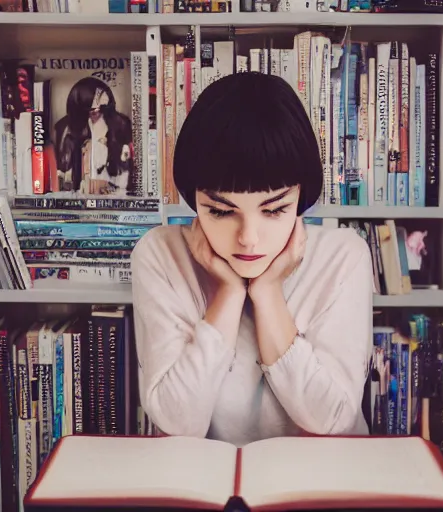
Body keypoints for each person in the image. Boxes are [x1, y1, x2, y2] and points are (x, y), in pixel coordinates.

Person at [131, 71, 373, 447]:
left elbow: (333, 420)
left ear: (300, 199)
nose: (248, 237)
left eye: (274, 210)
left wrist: (268, 292)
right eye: (221, 212)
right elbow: (177, 422)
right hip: (208, 490)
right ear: (195, 202)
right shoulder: (161, 255)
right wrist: (228, 293)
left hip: (322, 487)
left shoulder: (343, 258)